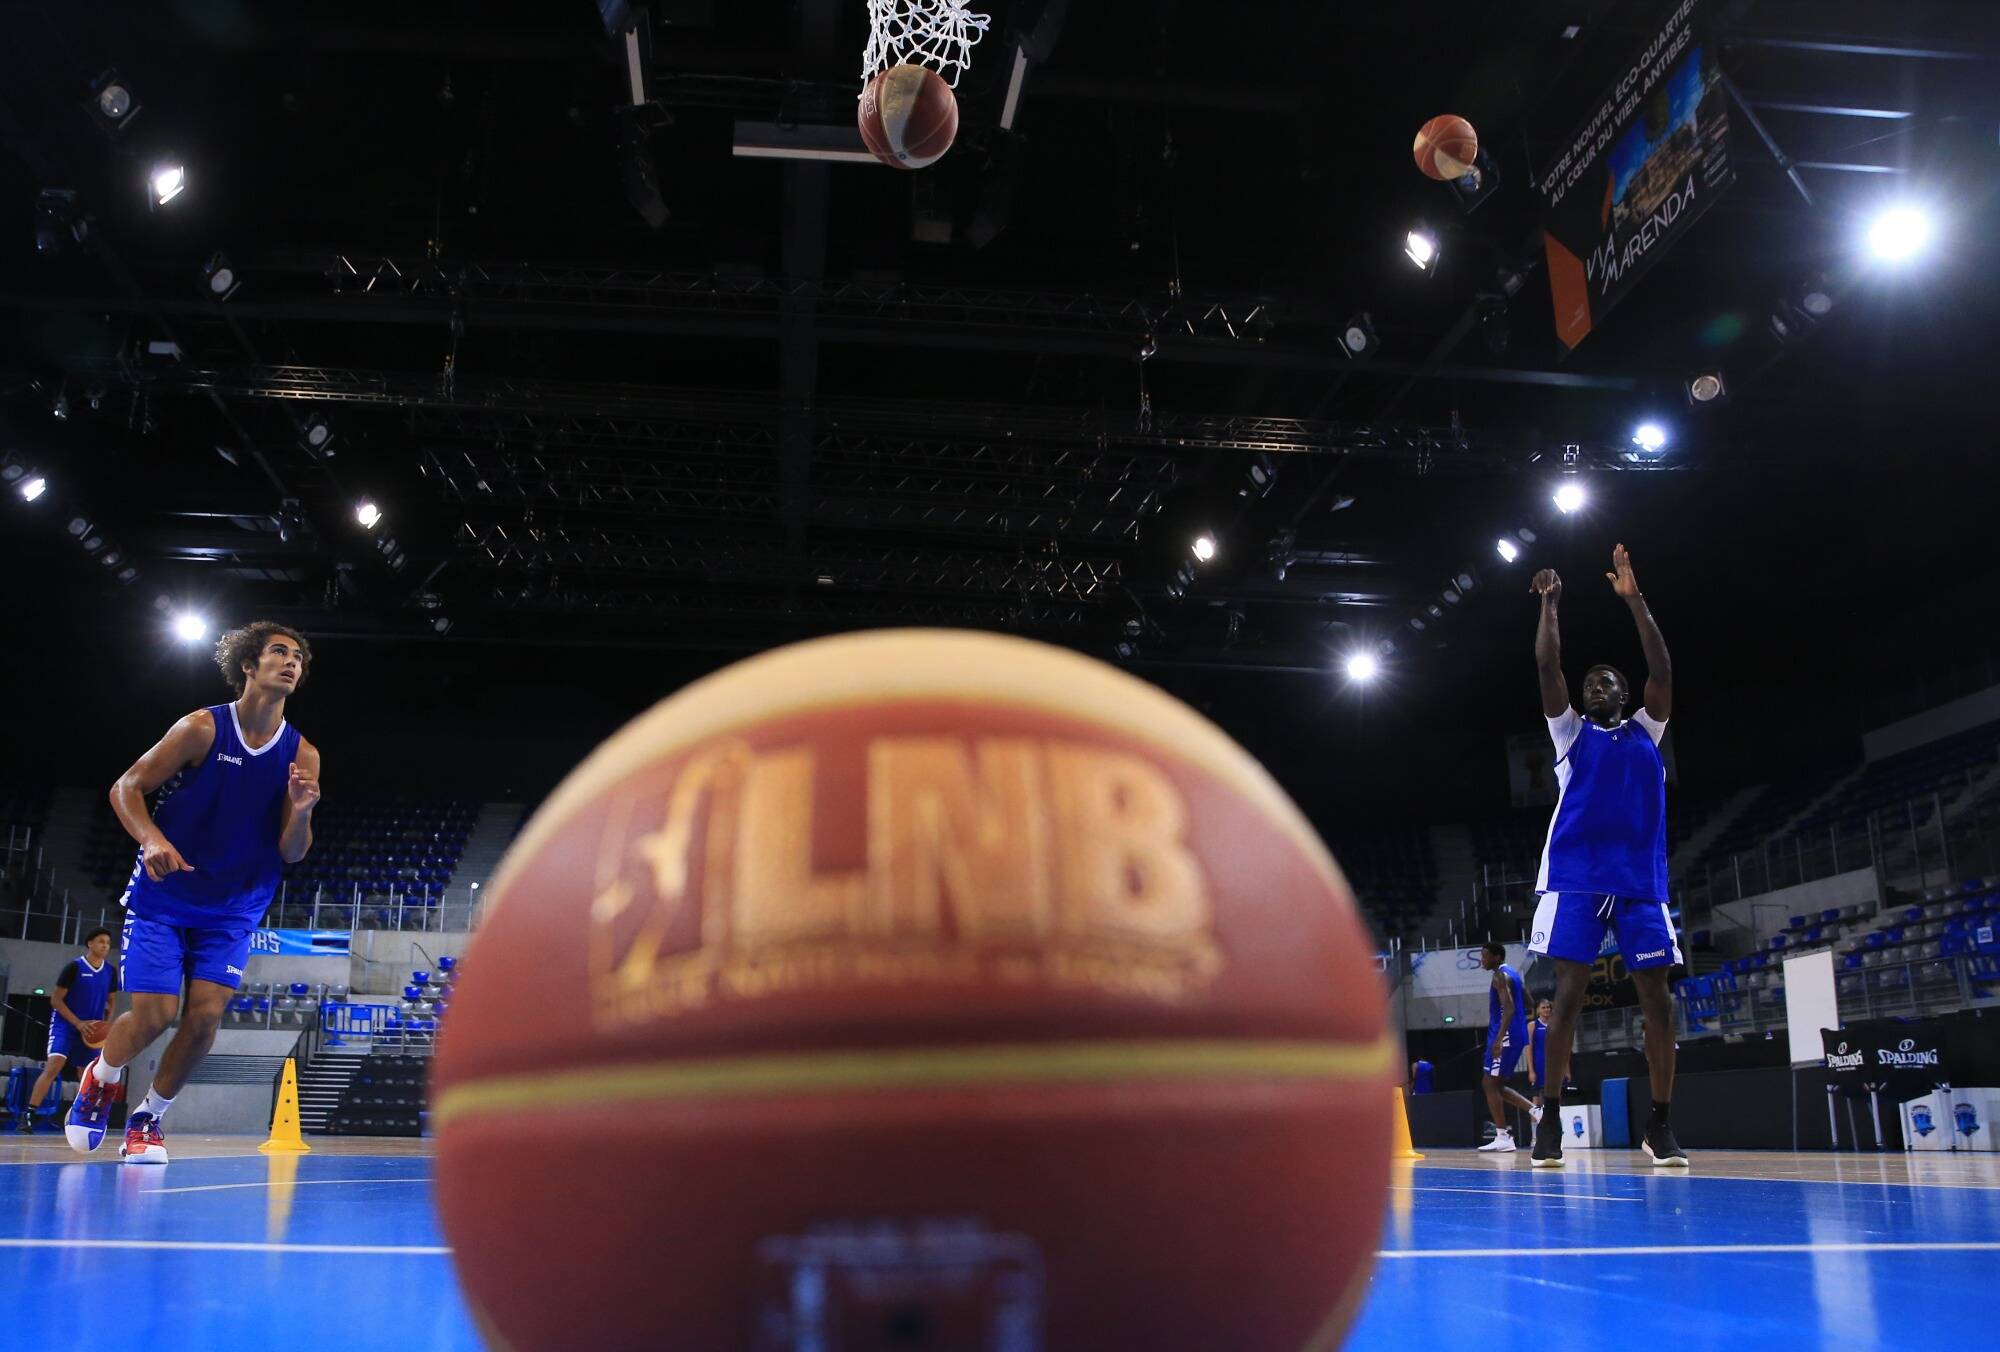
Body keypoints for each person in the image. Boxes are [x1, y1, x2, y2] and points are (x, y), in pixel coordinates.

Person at [65, 622, 321, 1165]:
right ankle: (102, 1075)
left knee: (204, 1018)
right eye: (279, 651)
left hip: (235, 907)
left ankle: (147, 1119)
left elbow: (293, 851)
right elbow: (127, 788)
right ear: (249, 666)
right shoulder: (203, 728)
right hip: (167, 895)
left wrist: (301, 814)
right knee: (155, 1014)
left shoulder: (303, 755)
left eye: (298, 656)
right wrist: (152, 839)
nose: (291, 661)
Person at [1525, 546, 1686, 1169]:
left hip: (1640, 881)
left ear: (1625, 695)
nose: (1597, 685)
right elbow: (1546, 664)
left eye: (1609, 681)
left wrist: (1634, 601)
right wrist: (1550, 606)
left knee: (1660, 1003)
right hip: (1578, 877)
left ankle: (1661, 1123)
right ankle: (1551, 1122)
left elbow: (1664, 671)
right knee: (1566, 999)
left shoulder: (1647, 730)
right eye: (1590, 681)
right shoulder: (1570, 734)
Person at [17, 928, 120, 1134]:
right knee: (54, 1066)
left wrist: (106, 1026)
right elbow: (56, 1000)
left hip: (91, 1028)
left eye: (108, 943)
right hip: (66, 1023)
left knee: (87, 1074)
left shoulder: (110, 971)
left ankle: (81, 1116)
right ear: (89, 943)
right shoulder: (74, 967)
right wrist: (77, 1023)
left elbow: (111, 1001)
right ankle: (28, 1115)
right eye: (101, 941)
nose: (105, 946)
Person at [1476, 941, 1539, 1153]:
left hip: (1505, 1036)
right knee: (1497, 1085)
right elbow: (1530, 1003)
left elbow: (1510, 1008)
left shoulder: (1498, 976)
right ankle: (1536, 1111)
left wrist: (1499, 1039)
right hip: (1517, 1034)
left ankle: (1503, 1136)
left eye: (1485, 956)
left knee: (1489, 1084)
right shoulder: (1513, 973)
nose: (1482, 960)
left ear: (1497, 957)